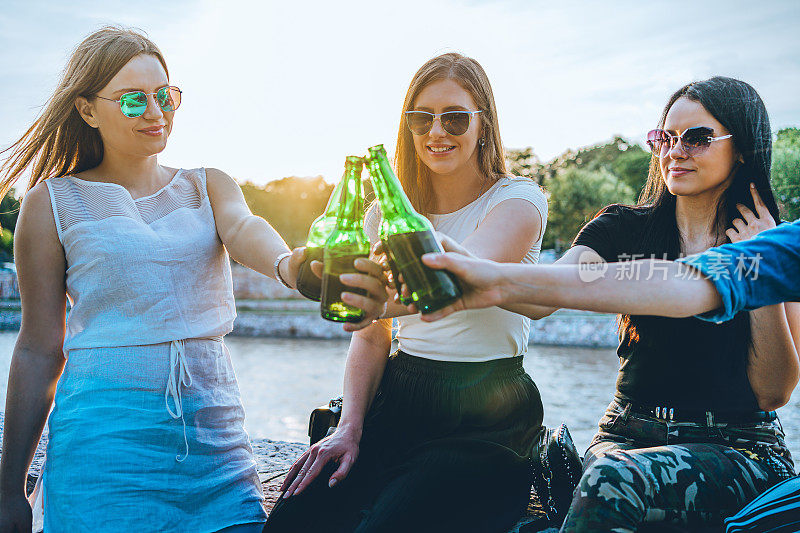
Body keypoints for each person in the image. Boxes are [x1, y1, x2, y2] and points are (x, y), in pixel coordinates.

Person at [0, 27, 387, 532]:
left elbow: (245, 228)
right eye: (134, 101)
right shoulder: (51, 203)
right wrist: (10, 490)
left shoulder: (209, 184)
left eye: (165, 95)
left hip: (215, 452)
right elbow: (36, 350)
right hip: (102, 453)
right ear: (87, 109)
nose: (158, 112)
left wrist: (291, 266)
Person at [420, 77, 800, 532]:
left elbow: (772, 392)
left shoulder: (778, 246)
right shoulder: (622, 228)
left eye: (697, 138)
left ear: (742, 148)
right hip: (625, 434)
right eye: (665, 137)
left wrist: (756, 267)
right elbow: (552, 289)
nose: (675, 151)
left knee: (609, 480)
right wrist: (467, 267)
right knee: (536, 487)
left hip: (737, 445)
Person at [263, 52, 549, 533]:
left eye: (455, 117)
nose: (437, 132)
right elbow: (373, 337)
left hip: (488, 413)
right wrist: (348, 426)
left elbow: (458, 275)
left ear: (484, 124)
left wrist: (369, 298)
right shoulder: (377, 216)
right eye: (421, 118)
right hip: (400, 396)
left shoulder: (517, 200)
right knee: (296, 519)